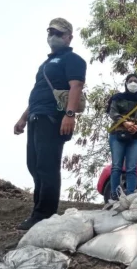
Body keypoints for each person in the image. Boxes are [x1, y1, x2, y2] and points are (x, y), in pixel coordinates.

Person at [13, 18, 86, 230]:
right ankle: (38, 210)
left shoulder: (73, 60)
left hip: (54, 118)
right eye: (50, 32)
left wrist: (69, 115)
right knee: (34, 165)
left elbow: (76, 86)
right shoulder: (45, 64)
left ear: (69, 37)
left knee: (47, 166)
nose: (53, 36)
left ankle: (44, 214)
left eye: (58, 33)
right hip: (36, 115)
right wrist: (23, 117)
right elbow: (39, 93)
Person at [106, 74, 137, 201]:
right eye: (130, 81)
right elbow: (112, 112)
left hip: (135, 137)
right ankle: (114, 194)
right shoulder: (117, 98)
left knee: (132, 168)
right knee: (116, 166)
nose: (133, 83)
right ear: (126, 83)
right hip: (117, 134)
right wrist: (125, 122)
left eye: (136, 81)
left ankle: (130, 195)